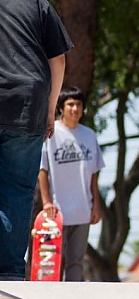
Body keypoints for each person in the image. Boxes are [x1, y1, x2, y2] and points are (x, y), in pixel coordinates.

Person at [0, 0, 72, 280]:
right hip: (28, 105)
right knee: (16, 189)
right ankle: (10, 273)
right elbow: (58, 59)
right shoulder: (36, 0)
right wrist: (50, 108)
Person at [38, 87, 103, 281]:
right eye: (70, 104)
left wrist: (96, 205)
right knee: (54, 260)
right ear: (61, 108)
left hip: (83, 210)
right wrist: (46, 202)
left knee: (77, 260)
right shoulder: (52, 132)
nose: (75, 108)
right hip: (56, 212)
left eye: (78, 104)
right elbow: (42, 170)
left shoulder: (89, 135)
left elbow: (93, 175)